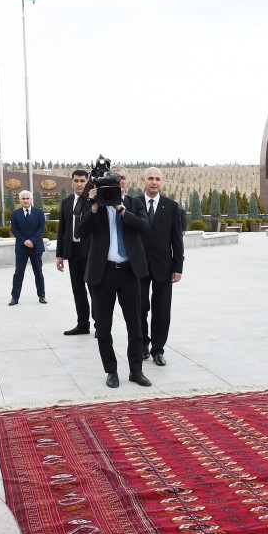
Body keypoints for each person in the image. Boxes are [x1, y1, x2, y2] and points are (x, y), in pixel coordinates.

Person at [77, 164, 151, 388]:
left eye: (122, 178)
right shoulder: (95, 205)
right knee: (104, 328)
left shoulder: (134, 203)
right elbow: (80, 232)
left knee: (135, 326)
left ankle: (136, 371)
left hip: (129, 272)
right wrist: (94, 206)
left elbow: (144, 227)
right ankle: (111, 371)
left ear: (127, 182)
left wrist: (120, 209)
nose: (118, 182)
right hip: (103, 274)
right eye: (114, 179)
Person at [137, 167, 184, 366]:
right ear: (143, 180)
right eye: (150, 178)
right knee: (139, 308)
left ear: (161, 182)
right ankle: (142, 345)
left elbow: (176, 239)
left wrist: (178, 266)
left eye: (157, 179)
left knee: (162, 309)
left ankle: (158, 349)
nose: (154, 182)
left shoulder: (171, 207)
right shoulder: (134, 203)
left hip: (164, 266)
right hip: (138, 266)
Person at [56, 170, 93, 334]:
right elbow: (62, 230)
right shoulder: (66, 203)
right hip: (73, 252)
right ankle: (83, 324)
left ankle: (100, 326)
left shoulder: (93, 202)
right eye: (76, 181)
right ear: (72, 183)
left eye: (82, 181)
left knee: (94, 290)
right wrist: (60, 254)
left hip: (92, 253)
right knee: (78, 290)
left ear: (87, 183)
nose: (79, 184)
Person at [8, 190, 47, 305]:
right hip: (21, 247)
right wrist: (25, 241)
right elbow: (14, 230)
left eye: (27, 198)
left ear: (31, 199)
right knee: (18, 273)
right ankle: (15, 297)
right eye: (23, 198)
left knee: (38, 272)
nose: (25, 200)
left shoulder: (39, 213)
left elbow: (41, 228)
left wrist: (32, 240)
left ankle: (42, 295)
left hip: (35, 247)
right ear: (20, 200)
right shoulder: (15, 213)